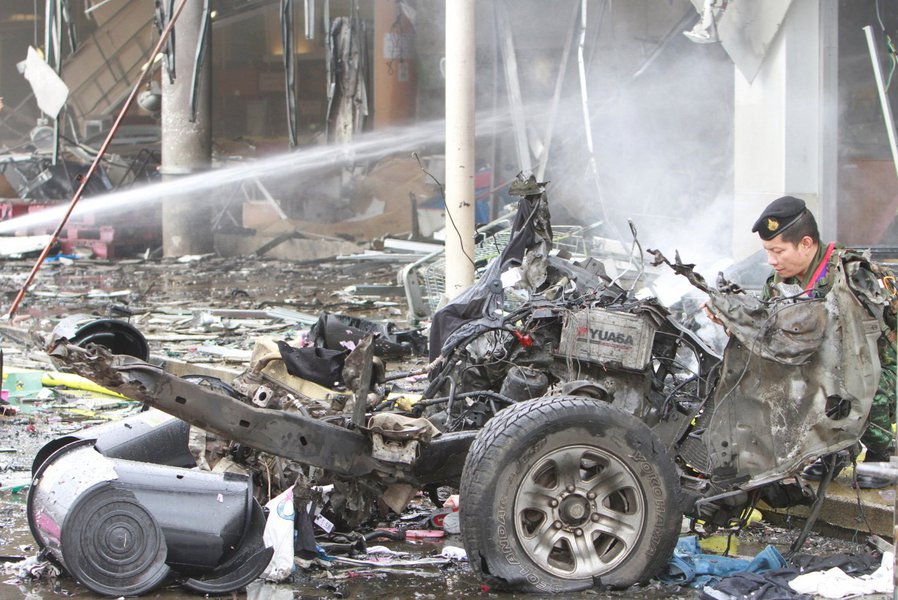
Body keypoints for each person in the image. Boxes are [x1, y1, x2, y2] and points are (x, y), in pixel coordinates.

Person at [750, 195, 896, 489]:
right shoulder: (778, 284)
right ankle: (835, 451)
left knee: (861, 382)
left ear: (805, 244)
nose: (772, 260)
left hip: (877, 372)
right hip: (824, 373)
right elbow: (764, 329)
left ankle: (885, 454)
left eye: (778, 251)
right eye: (768, 252)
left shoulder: (851, 274)